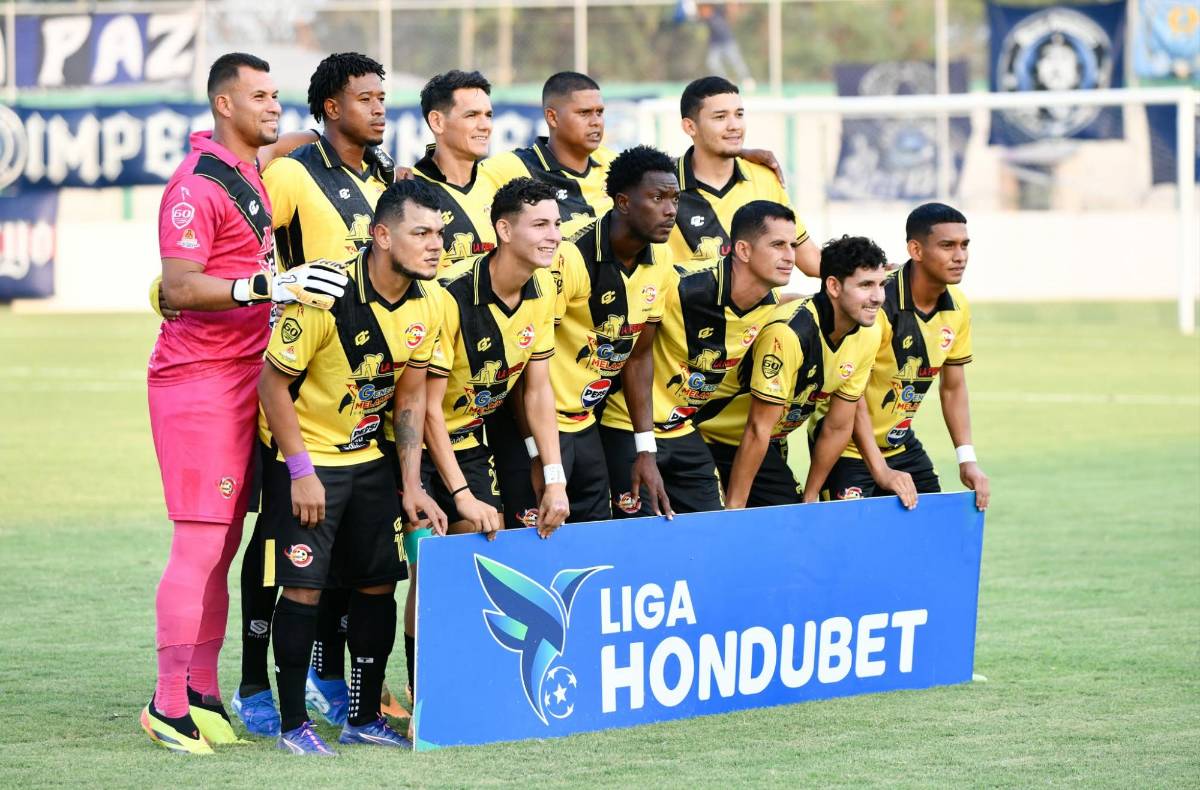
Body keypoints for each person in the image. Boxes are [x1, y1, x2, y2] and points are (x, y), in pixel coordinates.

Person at [142, 52, 349, 755]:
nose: (274, 106)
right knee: (199, 543)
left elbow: (302, 143)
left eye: (277, 94)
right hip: (197, 383)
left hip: (243, 381)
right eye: (259, 96)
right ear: (223, 105)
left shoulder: (248, 172)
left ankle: (200, 691)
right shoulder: (193, 186)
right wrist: (270, 288)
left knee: (227, 545)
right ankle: (166, 704)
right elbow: (177, 287)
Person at [232, 51, 395, 738]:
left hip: (361, 407)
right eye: (366, 99)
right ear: (332, 107)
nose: (380, 108)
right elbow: (245, 248)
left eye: (383, 98)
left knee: (344, 560)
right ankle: (250, 681)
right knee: (280, 545)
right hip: (297, 399)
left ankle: (326, 680)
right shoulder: (295, 174)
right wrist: (279, 295)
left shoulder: (385, 177)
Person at [257, 179, 448, 755]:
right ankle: (294, 724)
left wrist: (411, 486)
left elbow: (410, 401)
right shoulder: (325, 294)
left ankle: (363, 717)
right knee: (303, 592)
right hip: (309, 460)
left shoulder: (431, 302)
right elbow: (271, 386)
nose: (436, 244)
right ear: (382, 236)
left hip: (369, 462)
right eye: (422, 233)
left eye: (440, 232)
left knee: (376, 587)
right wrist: (300, 471)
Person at [401, 177, 570, 723]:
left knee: (479, 547)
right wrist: (460, 493)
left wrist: (555, 475)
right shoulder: (450, 298)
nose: (553, 236)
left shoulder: (541, 293)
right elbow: (426, 410)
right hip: (418, 448)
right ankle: (420, 693)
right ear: (504, 229)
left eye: (557, 224)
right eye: (540, 224)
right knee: (429, 565)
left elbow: (538, 390)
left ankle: (465, 682)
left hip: (468, 442)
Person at [501, 145, 680, 530]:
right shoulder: (569, 257)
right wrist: (537, 454)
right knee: (534, 546)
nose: (670, 210)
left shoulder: (661, 259)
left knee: (594, 538)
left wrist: (644, 448)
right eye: (657, 198)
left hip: (586, 426)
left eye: (674, 199)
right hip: (537, 429)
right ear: (622, 202)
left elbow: (638, 356)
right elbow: (525, 362)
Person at [600, 199, 795, 517]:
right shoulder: (682, 290)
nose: (789, 256)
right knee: (641, 537)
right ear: (743, 251)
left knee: (713, 529)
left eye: (791, 245)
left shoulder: (768, 301)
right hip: (627, 427)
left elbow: (799, 302)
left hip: (682, 430)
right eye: (777, 245)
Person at [696, 234, 888, 509]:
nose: (878, 297)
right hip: (713, 436)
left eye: (882, 284)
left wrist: (811, 494)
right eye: (866, 285)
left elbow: (838, 426)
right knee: (717, 525)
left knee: (791, 519)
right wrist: (734, 509)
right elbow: (757, 428)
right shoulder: (789, 334)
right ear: (833, 286)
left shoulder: (869, 333)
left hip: (760, 444)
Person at [821, 202, 989, 511]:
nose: (960, 256)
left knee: (932, 533)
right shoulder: (878, 303)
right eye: (947, 246)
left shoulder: (958, 307)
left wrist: (967, 460)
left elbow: (952, 388)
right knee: (849, 550)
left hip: (899, 443)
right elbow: (852, 394)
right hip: (846, 447)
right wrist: (880, 470)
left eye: (965, 245)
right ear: (916, 249)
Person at [668, 76, 820, 277]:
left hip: (763, 309)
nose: (734, 125)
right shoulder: (663, 185)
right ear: (690, 127)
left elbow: (811, 260)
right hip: (685, 308)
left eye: (739, 114)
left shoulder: (764, 178)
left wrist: (864, 272)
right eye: (720, 117)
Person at [480, 71, 617, 238]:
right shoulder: (508, 168)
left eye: (599, 112)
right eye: (584, 113)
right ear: (552, 117)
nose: (596, 122)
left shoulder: (615, 164)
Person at [413, 70, 499, 268]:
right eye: (472, 115)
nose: (486, 125)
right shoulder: (408, 190)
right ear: (437, 122)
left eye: (489, 115)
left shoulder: (499, 181)